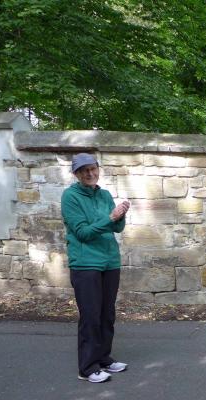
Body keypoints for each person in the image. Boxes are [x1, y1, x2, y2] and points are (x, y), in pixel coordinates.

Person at [61, 153, 131, 383]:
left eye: (93, 169)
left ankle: (103, 359)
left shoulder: (104, 195)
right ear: (76, 174)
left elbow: (117, 228)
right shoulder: (70, 197)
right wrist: (110, 217)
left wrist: (120, 215)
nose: (90, 174)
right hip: (85, 264)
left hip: (110, 261)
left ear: (98, 169)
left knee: (107, 314)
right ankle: (87, 368)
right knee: (90, 316)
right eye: (84, 171)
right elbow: (83, 233)